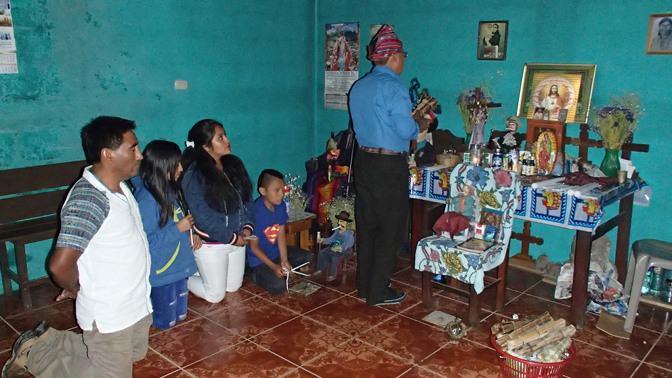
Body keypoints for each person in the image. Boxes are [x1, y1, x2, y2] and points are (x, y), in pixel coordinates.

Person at [2, 116, 152, 378]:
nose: (140, 155)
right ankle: (35, 355)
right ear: (108, 155)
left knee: (135, 353)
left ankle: (50, 339)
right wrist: (76, 288)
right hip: (109, 311)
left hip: (135, 301)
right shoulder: (89, 198)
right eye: (133, 148)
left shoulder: (119, 187)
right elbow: (60, 265)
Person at [349, 25, 430, 306]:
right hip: (387, 164)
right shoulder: (394, 87)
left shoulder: (359, 86)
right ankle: (379, 290)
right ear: (393, 56)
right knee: (390, 227)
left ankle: (364, 285)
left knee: (368, 223)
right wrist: (420, 123)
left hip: (364, 160)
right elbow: (406, 130)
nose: (404, 60)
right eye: (403, 54)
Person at [181, 119, 255, 303]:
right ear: (206, 147)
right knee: (215, 296)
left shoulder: (233, 165)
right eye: (220, 137)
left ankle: (204, 271)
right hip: (212, 242)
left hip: (237, 237)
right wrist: (232, 238)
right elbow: (203, 218)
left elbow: (247, 199)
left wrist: (247, 227)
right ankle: (182, 277)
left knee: (233, 287)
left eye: (225, 135)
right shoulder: (195, 175)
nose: (227, 139)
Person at [131, 140, 201, 330]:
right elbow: (145, 242)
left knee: (180, 317)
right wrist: (179, 228)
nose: (180, 167)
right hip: (162, 272)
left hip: (178, 267)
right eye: (176, 163)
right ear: (163, 166)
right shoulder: (146, 200)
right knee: (165, 323)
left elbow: (178, 221)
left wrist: (190, 234)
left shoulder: (170, 190)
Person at [244, 169, 313, 295]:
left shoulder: (280, 205)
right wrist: (273, 266)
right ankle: (254, 274)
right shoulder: (256, 213)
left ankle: (279, 268)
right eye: (276, 190)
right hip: (258, 260)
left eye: (283, 189)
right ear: (263, 191)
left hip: (275, 254)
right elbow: (254, 248)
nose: (281, 194)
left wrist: (284, 260)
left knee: (307, 257)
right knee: (278, 287)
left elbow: (281, 234)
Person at [315, 211, 355, 282]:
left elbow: (349, 243)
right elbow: (332, 239)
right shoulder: (337, 231)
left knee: (335, 257)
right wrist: (324, 240)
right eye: (340, 221)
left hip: (346, 250)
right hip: (335, 246)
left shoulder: (348, 233)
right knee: (322, 253)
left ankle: (333, 274)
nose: (340, 223)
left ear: (347, 223)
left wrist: (340, 247)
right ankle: (320, 268)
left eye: (343, 222)